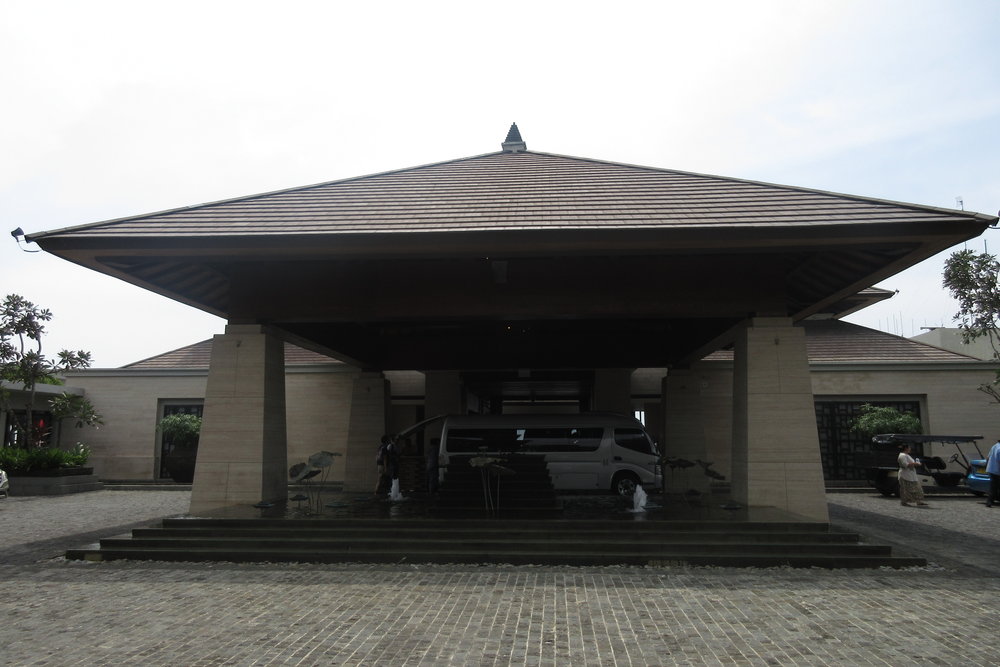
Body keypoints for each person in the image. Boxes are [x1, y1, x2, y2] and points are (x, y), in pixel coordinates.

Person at [986, 438, 1000, 508]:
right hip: (997, 470)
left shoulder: (995, 446)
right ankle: (989, 501)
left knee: (994, 486)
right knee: (994, 487)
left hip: (991, 469)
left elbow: (988, 457)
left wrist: (987, 465)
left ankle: (991, 500)